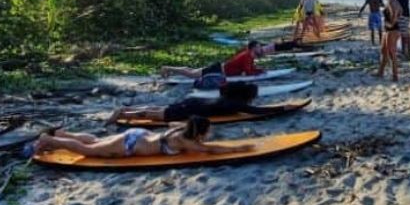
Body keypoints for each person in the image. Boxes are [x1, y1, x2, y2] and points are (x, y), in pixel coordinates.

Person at [32, 117, 254, 158]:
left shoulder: (184, 130)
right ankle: (50, 140)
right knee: (89, 151)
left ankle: (63, 134)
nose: (210, 134)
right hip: (133, 144)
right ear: (200, 131)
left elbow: (173, 124)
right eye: (208, 130)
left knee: (96, 141)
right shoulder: (185, 140)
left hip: (140, 136)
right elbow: (211, 150)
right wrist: (239, 148)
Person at [107, 83, 293, 124]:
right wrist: (283, 108)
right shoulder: (237, 104)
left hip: (193, 103)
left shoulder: (228, 98)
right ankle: (122, 114)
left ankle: (126, 109)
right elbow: (257, 111)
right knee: (155, 115)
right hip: (192, 109)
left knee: (157, 109)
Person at [159, 40, 298, 85]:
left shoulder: (249, 55)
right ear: (253, 48)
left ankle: (169, 69)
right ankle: (167, 68)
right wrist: (260, 71)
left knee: (192, 71)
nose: (261, 48)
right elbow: (248, 71)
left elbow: (249, 68)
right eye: (258, 47)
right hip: (218, 70)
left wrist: (259, 69)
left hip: (220, 68)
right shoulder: (247, 56)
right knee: (192, 74)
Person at [376, 0, 401, 82]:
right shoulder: (395, 1)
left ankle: (395, 76)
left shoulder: (390, 2)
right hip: (390, 30)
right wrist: (394, 20)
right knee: (383, 51)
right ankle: (380, 72)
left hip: (392, 30)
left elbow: (395, 12)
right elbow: (401, 11)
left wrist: (392, 22)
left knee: (391, 53)